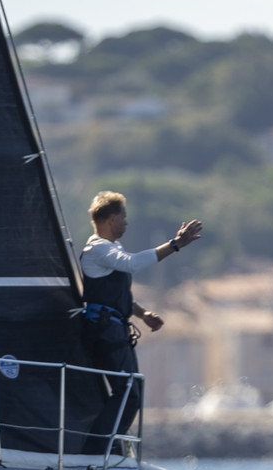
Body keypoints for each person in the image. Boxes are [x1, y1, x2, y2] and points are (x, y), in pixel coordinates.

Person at [79, 190, 202, 454]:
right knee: (128, 392)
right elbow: (133, 264)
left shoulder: (112, 249)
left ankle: (108, 449)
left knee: (131, 391)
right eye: (124, 217)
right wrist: (176, 244)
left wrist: (143, 314)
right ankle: (96, 452)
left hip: (114, 329)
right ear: (111, 219)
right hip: (103, 331)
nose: (127, 222)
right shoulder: (97, 249)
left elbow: (116, 295)